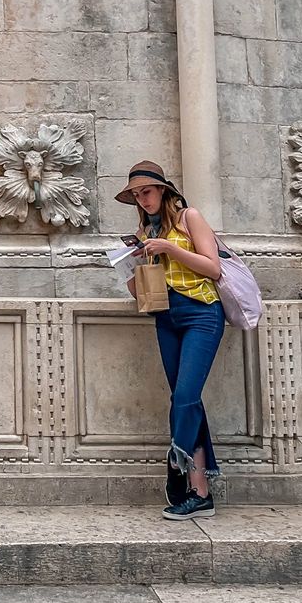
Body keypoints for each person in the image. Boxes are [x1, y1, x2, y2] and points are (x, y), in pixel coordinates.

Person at [117, 160, 225, 521]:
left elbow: (213, 268)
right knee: (184, 400)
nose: (142, 199)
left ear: (163, 189)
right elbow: (139, 292)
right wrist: (130, 265)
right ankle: (201, 494)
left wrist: (170, 248)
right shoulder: (146, 230)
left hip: (201, 313)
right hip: (166, 317)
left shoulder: (188, 218)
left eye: (146, 192)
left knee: (186, 397)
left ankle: (179, 468)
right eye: (136, 195)